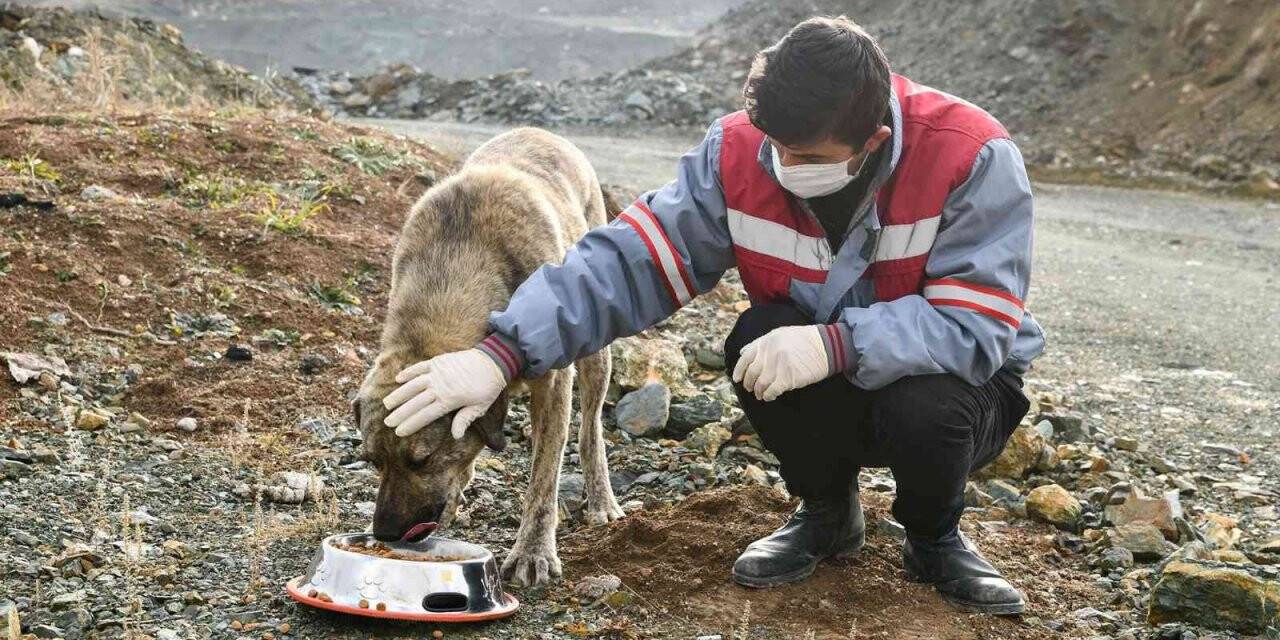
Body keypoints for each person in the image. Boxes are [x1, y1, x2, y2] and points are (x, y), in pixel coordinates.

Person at [381, 15, 1044, 615]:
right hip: (834, 380)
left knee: (926, 403)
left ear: (872, 140)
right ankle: (827, 515)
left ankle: (934, 536)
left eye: (808, 159)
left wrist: (836, 345)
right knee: (756, 340)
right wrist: (499, 355)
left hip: (958, 391)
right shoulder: (739, 152)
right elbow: (628, 261)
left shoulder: (970, 156)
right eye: (775, 147)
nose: (783, 170)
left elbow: (974, 329)